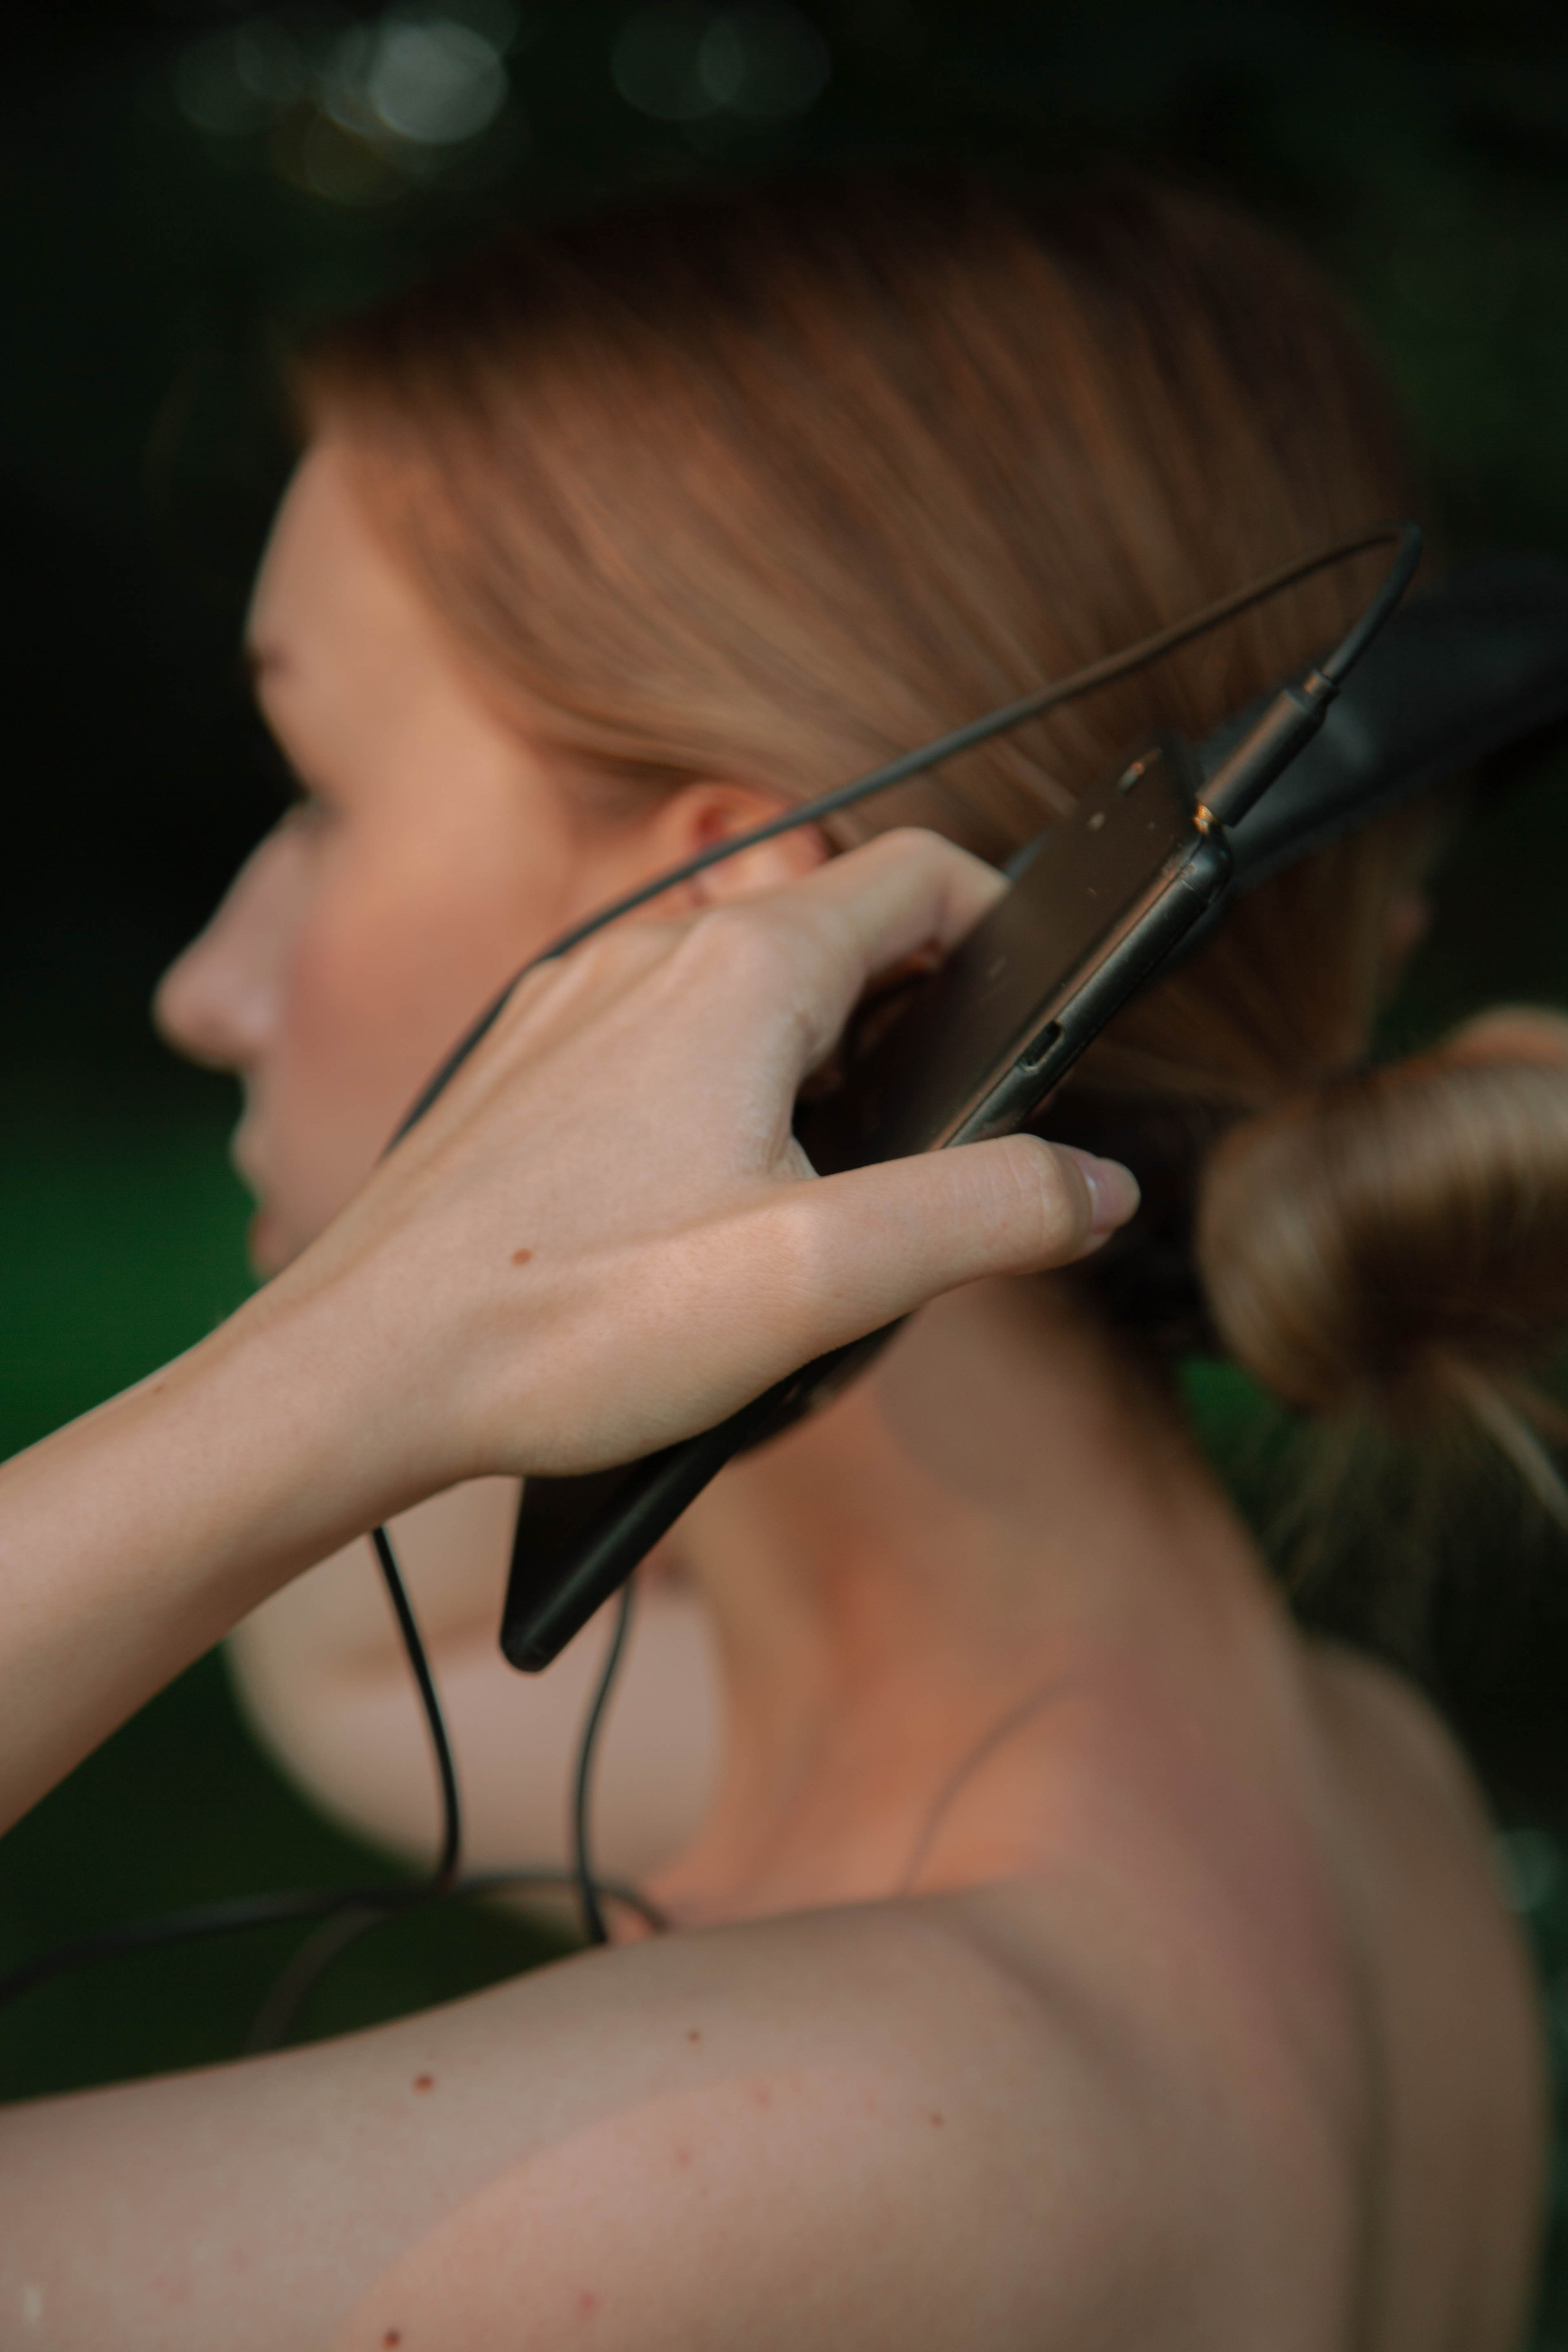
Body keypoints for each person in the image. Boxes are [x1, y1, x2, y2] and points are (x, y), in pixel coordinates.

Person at [1, 168, 1561, 2347]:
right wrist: (448, 1352)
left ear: (723, 934)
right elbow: (351, 1652)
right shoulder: (1349, 1775)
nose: (208, 981)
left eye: (321, 789)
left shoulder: (811, 2151)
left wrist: (321, 1383)